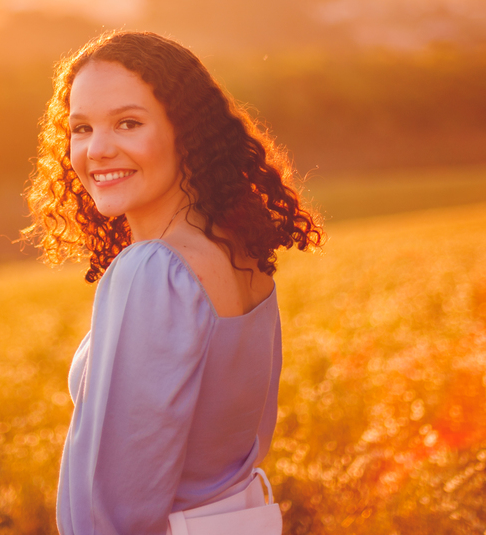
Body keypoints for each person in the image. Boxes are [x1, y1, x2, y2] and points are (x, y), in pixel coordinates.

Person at [25, 31, 322, 535]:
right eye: (81, 128)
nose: (97, 149)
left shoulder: (155, 270)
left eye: (128, 123)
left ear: (186, 131)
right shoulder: (235, 253)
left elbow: (117, 503)